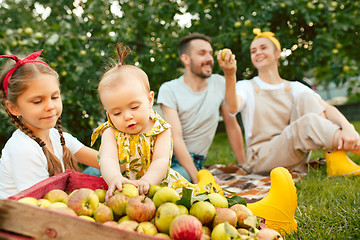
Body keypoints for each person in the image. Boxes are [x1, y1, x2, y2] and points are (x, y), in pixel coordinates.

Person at [230, 28, 360, 176]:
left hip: (293, 150)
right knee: (307, 122)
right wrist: (229, 75)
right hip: (262, 158)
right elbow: (232, 107)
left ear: (277, 53)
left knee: (307, 98)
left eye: (263, 48)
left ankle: (335, 157)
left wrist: (348, 128)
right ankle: (349, 150)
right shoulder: (246, 86)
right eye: (253, 51)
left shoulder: (294, 87)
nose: (257, 52)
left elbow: (326, 108)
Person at [91, 44, 193, 199]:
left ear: (150, 99)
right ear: (108, 113)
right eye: (116, 113)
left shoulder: (161, 130)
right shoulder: (110, 132)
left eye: (134, 107)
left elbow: (161, 160)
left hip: (158, 186)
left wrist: (147, 181)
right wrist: (114, 178)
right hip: (122, 187)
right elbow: (107, 159)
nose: (127, 116)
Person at [0, 50, 100, 199]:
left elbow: (102, 160)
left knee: (103, 170)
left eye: (54, 97)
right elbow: (42, 206)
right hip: (24, 215)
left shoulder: (58, 136)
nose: (50, 106)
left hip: (54, 202)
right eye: (38, 101)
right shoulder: (23, 149)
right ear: (13, 108)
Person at [157, 33, 246, 183]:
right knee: (109, 172)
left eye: (211, 53)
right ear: (185, 59)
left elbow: (232, 121)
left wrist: (244, 166)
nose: (210, 59)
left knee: (170, 181)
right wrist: (197, 177)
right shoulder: (169, 89)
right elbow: (175, 138)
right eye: (202, 53)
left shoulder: (220, 83)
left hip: (190, 163)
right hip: (165, 155)